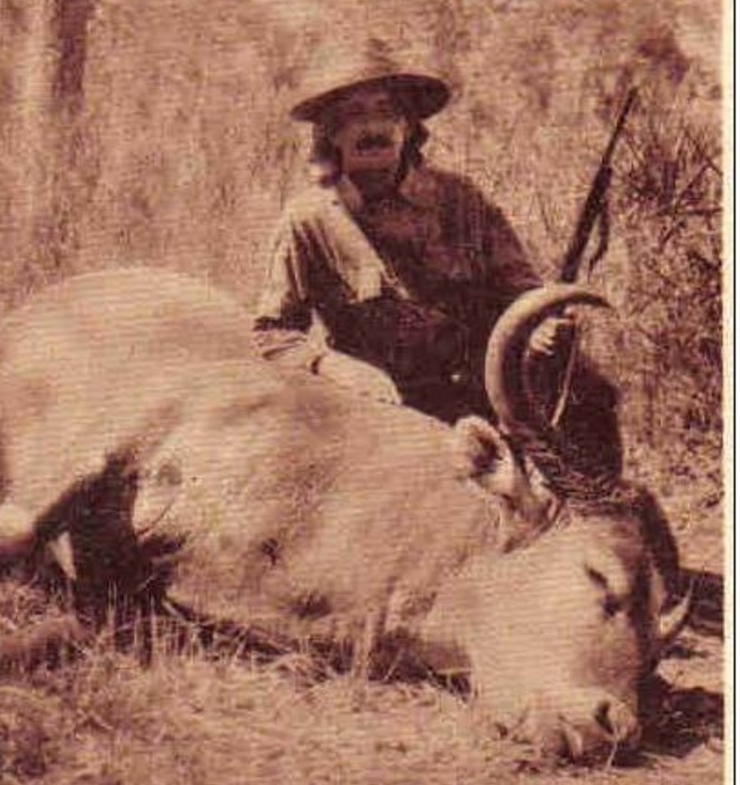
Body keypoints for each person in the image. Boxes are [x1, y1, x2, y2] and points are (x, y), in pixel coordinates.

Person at [255, 52, 622, 476]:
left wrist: (536, 326)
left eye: (387, 112)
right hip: (389, 404)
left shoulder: (460, 199)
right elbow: (273, 335)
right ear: (331, 133)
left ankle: (601, 524)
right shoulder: (309, 220)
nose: (372, 127)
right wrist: (334, 366)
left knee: (589, 394)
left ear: (409, 128)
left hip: (484, 385)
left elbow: (520, 289)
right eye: (354, 115)